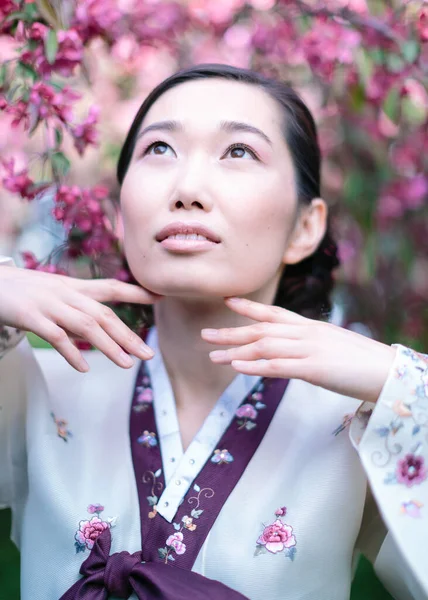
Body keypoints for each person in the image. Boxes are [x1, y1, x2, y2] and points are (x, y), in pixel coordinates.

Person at [0, 63, 427, 600]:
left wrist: (400, 382)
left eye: (239, 151)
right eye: (159, 149)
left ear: (305, 227)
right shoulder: (33, 386)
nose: (187, 187)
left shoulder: (356, 420)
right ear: (119, 213)